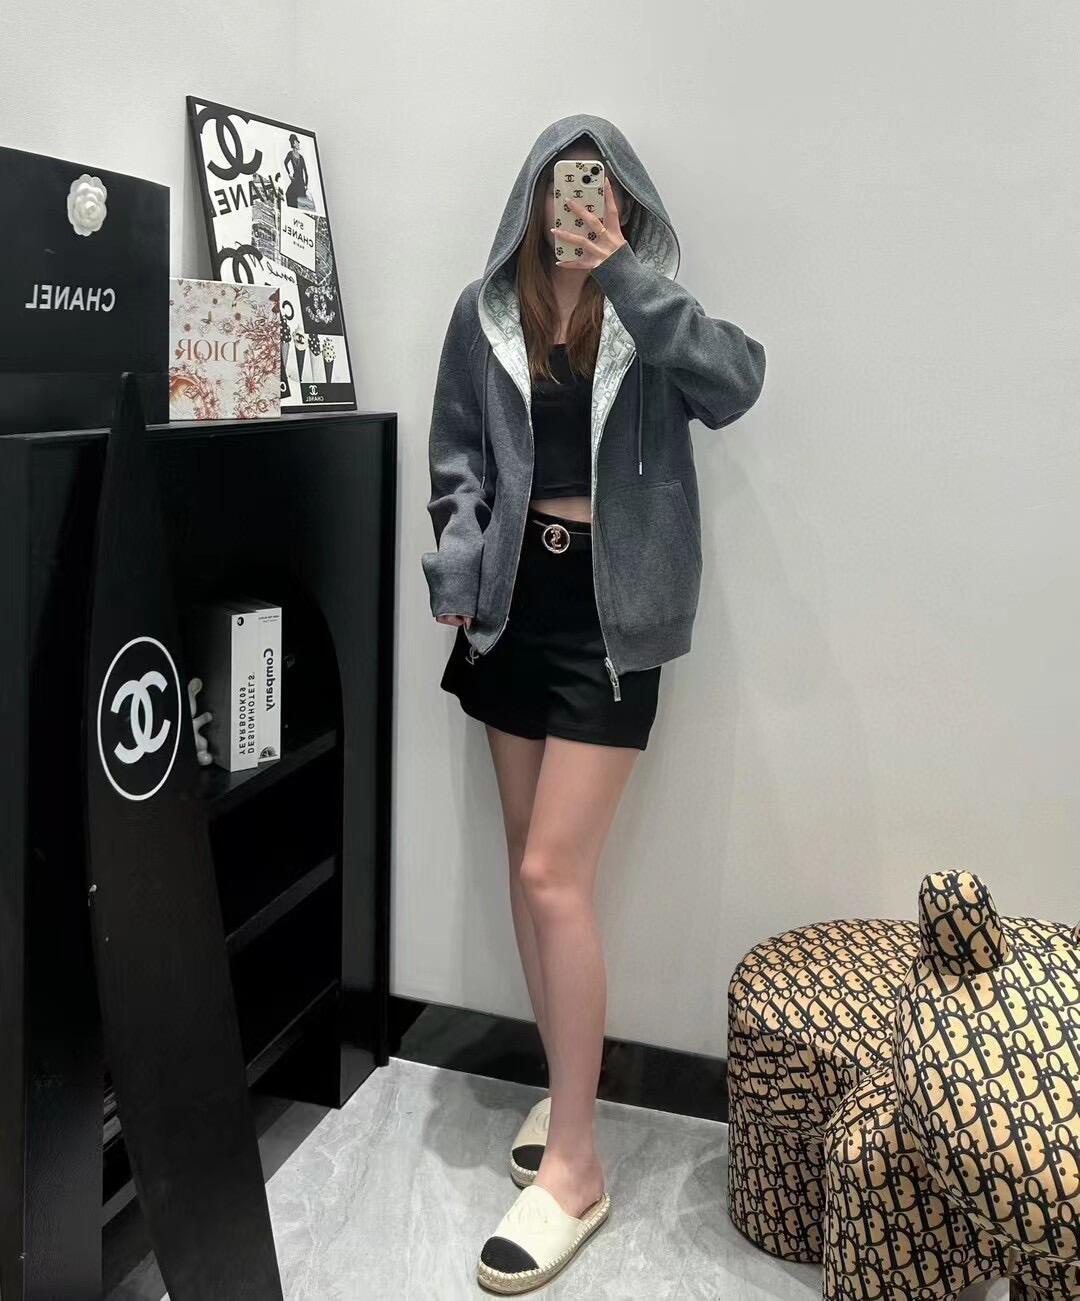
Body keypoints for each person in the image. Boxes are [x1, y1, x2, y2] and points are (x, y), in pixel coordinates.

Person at [422, 113, 766, 1292]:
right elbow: (459, 456)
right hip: (513, 607)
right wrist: (457, 565)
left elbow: (735, 384)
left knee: (551, 872)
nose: (576, 204)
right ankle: (565, 1094)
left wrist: (622, 268)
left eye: (597, 189)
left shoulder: (649, 310)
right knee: (529, 861)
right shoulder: (486, 315)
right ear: (532, 198)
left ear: (621, 201)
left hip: (614, 624)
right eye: (563, 189)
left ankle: (576, 1163)